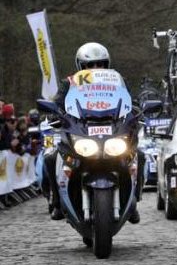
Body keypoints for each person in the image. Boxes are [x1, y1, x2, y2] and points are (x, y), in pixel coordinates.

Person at [44, 42, 141, 223]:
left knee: (138, 154)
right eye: (90, 65)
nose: (95, 68)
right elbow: (57, 103)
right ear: (81, 65)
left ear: (107, 64)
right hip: (81, 130)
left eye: (100, 64)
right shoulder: (69, 83)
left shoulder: (118, 81)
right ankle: (56, 202)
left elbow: (131, 101)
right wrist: (54, 113)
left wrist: (136, 112)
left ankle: (133, 201)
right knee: (50, 157)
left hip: (112, 129)